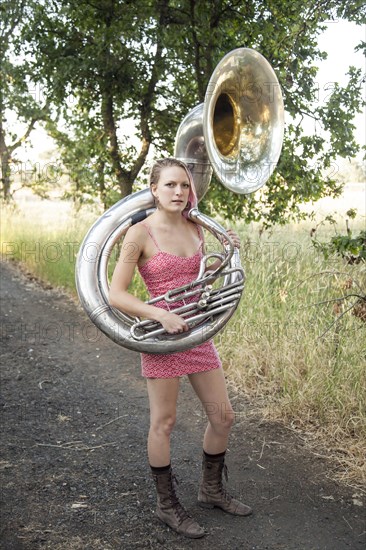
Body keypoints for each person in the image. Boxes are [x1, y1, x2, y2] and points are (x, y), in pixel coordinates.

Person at [109, 158, 252, 539]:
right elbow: (116, 294)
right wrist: (159, 315)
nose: (179, 193)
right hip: (161, 337)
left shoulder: (197, 228)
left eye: (185, 186)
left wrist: (225, 256)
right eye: (170, 185)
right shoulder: (138, 234)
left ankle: (210, 490)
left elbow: (201, 279)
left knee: (224, 418)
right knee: (165, 422)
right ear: (154, 189)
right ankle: (167, 505)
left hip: (196, 332)